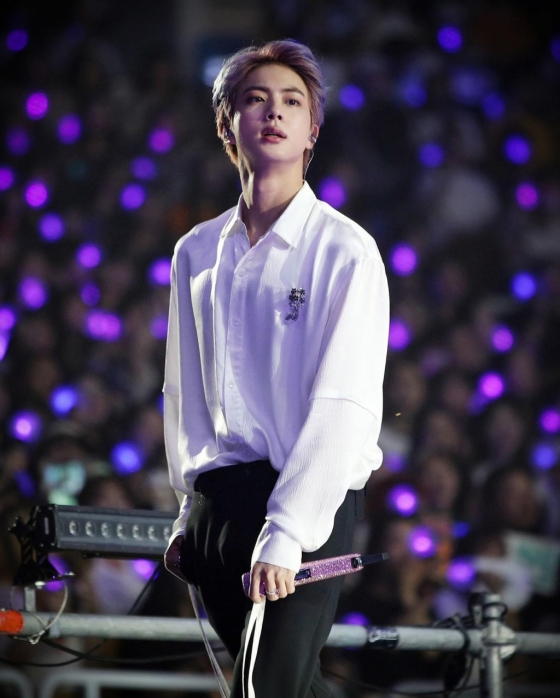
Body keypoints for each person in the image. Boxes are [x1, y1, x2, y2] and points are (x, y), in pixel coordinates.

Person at [163, 39, 390, 698]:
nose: (274, 112)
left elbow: (344, 403)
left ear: (313, 129)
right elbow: (183, 390)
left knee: (265, 689)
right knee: (286, 688)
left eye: (292, 101)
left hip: (306, 502)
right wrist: (187, 511)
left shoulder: (345, 250)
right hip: (217, 503)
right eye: (255, 98)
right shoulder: (195, 251)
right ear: (227, 122)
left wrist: (288, 531)